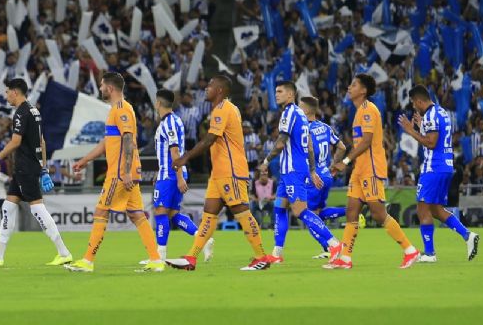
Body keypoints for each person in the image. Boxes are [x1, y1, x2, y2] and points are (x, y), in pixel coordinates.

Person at [166, 75, 270, 272]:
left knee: (242, 213)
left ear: (220, 90)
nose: (206, 88)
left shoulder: (222, 109)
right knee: (208, 215)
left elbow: (210, 139)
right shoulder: (227, 109)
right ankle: (191, 257)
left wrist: (185, 157)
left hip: (231, 170)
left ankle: (262, 256)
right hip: (219, 173)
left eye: (210, 85)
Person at [65, 73, 163, 273]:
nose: (100, 89)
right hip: (125, 171)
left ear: (110, 88)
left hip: (120, 172)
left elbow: (128, 139)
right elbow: (107, 142)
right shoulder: (116, 111)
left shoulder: (121, 109)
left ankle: (87, 261)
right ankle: (156, 259)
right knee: (137, 214)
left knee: (101, 211)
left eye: (102, 86)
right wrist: (85, 160)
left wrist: (125, 172)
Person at [326, 74, 419, 270]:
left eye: (354, 85)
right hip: (360, 168)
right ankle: (345, 258)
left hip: (371, 168)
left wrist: (345, 161)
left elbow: (367, 141)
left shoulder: (369, 110)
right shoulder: (358, 111)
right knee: (352, 211)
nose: (349, 88)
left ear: (363, 90)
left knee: (378, 213)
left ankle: (410, 250)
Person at [0, 78, 72, 267]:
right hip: (27, 167)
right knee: (8, 206)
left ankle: (63, 252)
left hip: (25, 167)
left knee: (37, 208)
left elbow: (15, 142)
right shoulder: (34, 110)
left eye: (7, 92)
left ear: (15, 92)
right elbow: (42, 141)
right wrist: (44, 168)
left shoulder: (21, 112)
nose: (6, 96)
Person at [258, 82, 342, 265]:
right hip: (290, 171)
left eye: (280, 91)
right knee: (280, 207)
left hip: (293, 170)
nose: (276, 94)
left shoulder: (288, 113)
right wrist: (312, 170)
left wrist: (265, 161)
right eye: (276, 91)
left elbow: (281, 142)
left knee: (300, 211)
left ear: (290, 95)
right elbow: (310, 146)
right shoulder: (302, 116)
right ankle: (277, 252)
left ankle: (334, 243)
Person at [398, 85, 479, 262]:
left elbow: (432, 143)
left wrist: (411, 130)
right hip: (445, 166)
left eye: (413, 103)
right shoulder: (440, 112)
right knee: (435, 209)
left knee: (422, 208)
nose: (414, 107)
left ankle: (429, 253)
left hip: (433, 167)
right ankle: (468, 235)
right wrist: (422, 128)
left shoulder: (431, 115)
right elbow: (435, 137)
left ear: (419, 101)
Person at [140, 89, 213, 264]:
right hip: (169, 173)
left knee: (160, 212)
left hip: (171, 174)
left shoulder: (168, 123)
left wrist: (178, 177)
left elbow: (175, 152)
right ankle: (203, 240)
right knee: (173, 213)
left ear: (158, 103)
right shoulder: (175, 120)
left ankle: (159, 257)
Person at [300, 96, 350, 259]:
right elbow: (341, 147)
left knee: (308, 216)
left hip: (313, 178)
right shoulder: (325, 127)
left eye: (300, 108)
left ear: (307, 110)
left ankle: (331, 247)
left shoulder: (304, 130)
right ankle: (350, 212)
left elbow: (309, 151)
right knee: (319, 213)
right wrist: (333, 166)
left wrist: (313, 171)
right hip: (326, 175)